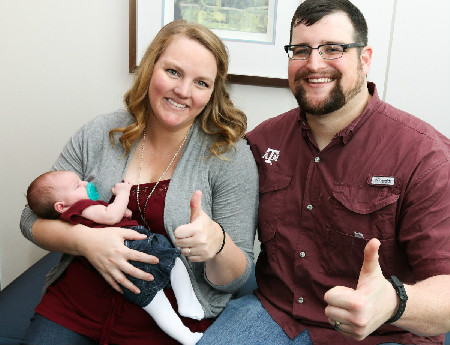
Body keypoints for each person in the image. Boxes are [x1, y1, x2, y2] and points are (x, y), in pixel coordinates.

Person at [198, 1, 450, 344]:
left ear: (364, 59)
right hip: (274, 315)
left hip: (383, 333)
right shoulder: (263, 142)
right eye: (300, 50)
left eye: (333, 49)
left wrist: (392, 302)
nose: (314, 64)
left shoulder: (424, 156)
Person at [20, 19, 258, 345]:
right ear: (150, 68)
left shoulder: (230, 158)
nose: (183, 91)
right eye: (173, 72)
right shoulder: (99, 133)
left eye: (201, 82)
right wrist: (87, 243)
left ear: (213, 92)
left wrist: (216, 243)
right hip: (77, 304)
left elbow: (237, 278)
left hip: (167, 320)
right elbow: (31, 218)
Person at [26, 170, 204, 345]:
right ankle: (186, 303)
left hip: (121, 264)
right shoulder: (82, 207)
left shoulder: (77, 214)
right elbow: (111, 216)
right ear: (61, 206)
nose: (85, 183)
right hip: (134, 247)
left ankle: (185, 334)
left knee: (155, 303)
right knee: (175, 262)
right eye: (77, 185)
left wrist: (122, 212)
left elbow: (106, 218)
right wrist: (123, 194)